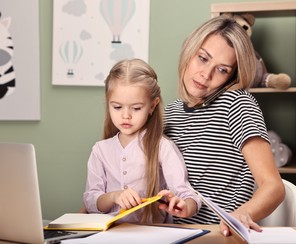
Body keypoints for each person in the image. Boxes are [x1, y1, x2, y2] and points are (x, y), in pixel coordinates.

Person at [164, 15, 285, 235]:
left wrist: (240, 214)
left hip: (215, 235)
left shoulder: (237, 104)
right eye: (202, 58)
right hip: (165, 232)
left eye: (222, 69)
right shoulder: (169, 113)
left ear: (233, 75)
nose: (206, 74)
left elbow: (273, 187)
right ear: (190, 52)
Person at [83, 58, 201, 224]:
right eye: (117, 107)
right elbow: (90, 201)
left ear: (152, 106)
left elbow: (187, 194)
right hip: (110, 236)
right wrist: (114, 196)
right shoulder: (100, 150)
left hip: (154, 235)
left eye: (136, 108)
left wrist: (185, 207)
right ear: (108, 104)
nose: (126, 115)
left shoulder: (162, 147)